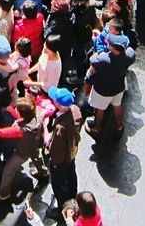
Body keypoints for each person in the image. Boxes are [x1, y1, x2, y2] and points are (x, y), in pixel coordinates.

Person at [84, 33, 134, 139]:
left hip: (103, 91)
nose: (108, 43)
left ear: (115, 49)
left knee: (99, 109)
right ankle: (119, 126)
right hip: (118, 88)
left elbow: (92, 65)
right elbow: (130, 51)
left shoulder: (103, 60)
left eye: (110, 43)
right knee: (117, 106)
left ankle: (97, 129)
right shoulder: (128, 56)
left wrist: (88, 76)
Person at [43, 86, 82, 220]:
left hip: (60, 161)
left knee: (59, 185)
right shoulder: (76, 110)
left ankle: (62, 210)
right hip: (71, 153)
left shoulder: (60, 129)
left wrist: (45, 129)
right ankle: (73, 198)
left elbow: (55, 149)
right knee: (71, 176)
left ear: (58, 104)